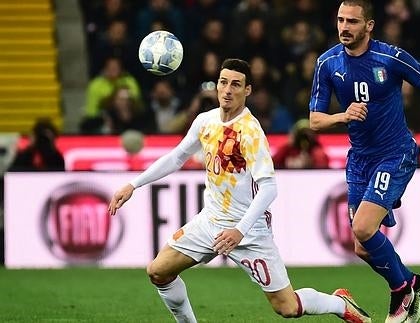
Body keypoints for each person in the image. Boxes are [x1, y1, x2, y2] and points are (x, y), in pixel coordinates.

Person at [108, 58, 371, 323]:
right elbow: (177, 157)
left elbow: (269, 188)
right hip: (210, 221)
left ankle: (339, 303)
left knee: (287, 307)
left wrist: (239, 230)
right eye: (223, 82)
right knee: (158, 271)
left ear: (247, 90)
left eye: (236, 84)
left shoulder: (251, 132)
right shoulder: (205, 121)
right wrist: (133, 184)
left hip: (249, 230)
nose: (228, 90)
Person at [308, 1, 420, 323]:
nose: (344, 27)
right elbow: (315, 121)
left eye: (352, 21)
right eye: (340, 20)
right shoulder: (327, 63)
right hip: (359, 160)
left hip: (395, 153)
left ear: (369, 25)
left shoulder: (390, 58)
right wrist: (342, 116)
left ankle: (401, 293)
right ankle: (411, 282)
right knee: (362, 246)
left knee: (363, 227)